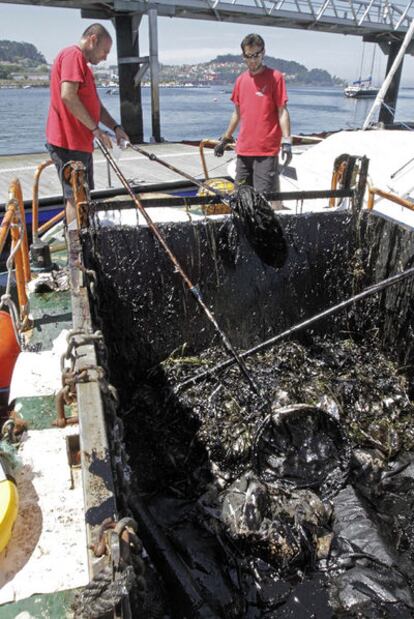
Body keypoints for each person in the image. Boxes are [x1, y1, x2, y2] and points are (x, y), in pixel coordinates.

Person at [46, 23, 129, 227]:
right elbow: (68, 95)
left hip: (81, 143)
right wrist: (95, 129)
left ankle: (82, 239)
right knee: (75, 198)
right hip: (68, 141)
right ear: (93, 40)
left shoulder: (85, 67)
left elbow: (96, 107)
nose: (105, 57)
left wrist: (116, 127)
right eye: (104, 51)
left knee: (82, 196)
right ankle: (77, 251)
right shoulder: (73, 56)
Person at [214, 33, 292, 194]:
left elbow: (282, 111)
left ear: (263, 52)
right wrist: (225, 138)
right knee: (240, 199)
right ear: (243, 56)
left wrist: (287, 141)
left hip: (266, 152)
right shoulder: (240, 80)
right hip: (243, 151)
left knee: (263, 201)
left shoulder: (275, 78)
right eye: (248, 56)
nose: (253, 60)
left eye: (256, 55)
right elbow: (237, 113)